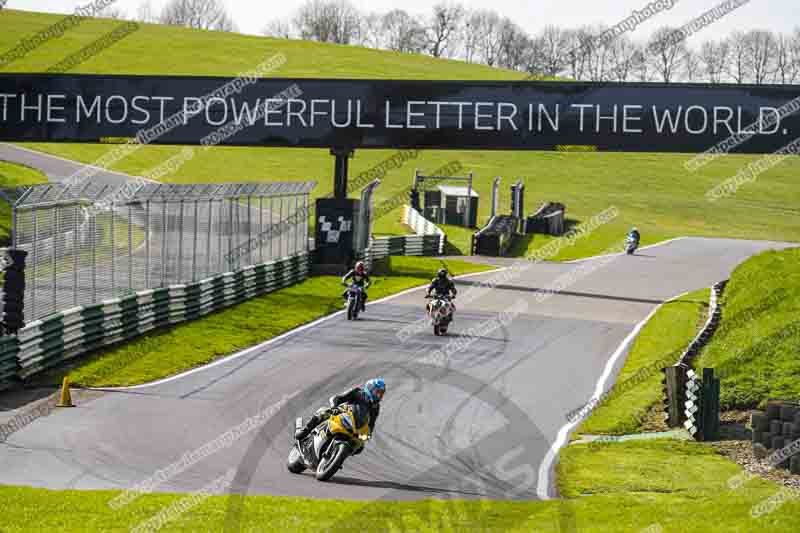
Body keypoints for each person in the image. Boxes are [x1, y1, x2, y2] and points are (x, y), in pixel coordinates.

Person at [294, 378, 385, 442]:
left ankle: (335, 455)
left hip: (354, 427)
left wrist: (368, 434)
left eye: (381, 394)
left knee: (360, 446)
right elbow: (337, 398)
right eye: (378, 392)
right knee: (323, 412)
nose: (379, 396)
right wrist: (334, 407)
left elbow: (371, 423)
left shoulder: (375, 407)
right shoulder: (358, 392)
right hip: (342, 413)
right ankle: (304, 430)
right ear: (370, 388)